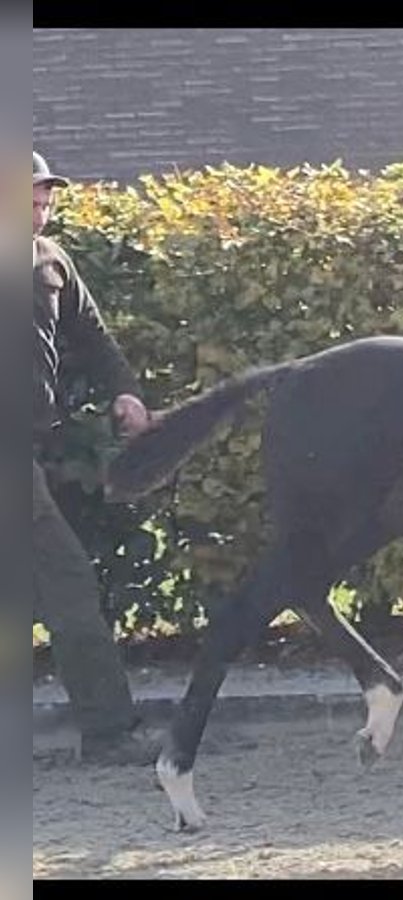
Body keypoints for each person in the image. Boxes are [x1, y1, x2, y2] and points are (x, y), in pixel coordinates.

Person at [33, 149, 157, 764]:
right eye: (27, 200)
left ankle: (108, 732)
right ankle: (108, 733)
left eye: (44, 199)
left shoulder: (52, 261)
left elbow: (93, 336)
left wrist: (126, 391)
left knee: (64, 582)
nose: (39, 210)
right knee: (67, 582)